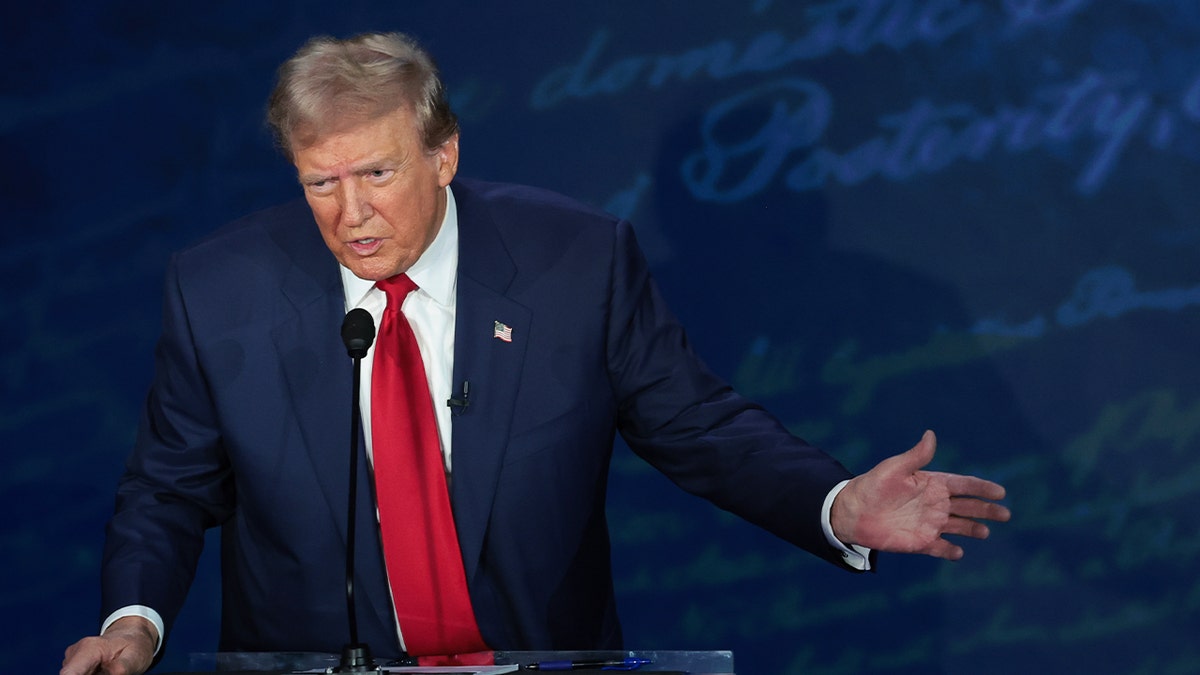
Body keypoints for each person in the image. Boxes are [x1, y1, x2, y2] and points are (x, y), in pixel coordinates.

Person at [60, 32, 1010, 675]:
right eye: (321, 182)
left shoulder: (577, 262)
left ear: (445, 154)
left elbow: (698, 426)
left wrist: (836, 502)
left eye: (378, 173)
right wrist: (132, 624)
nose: (350, 215)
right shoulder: (217, 287)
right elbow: (168, 486)